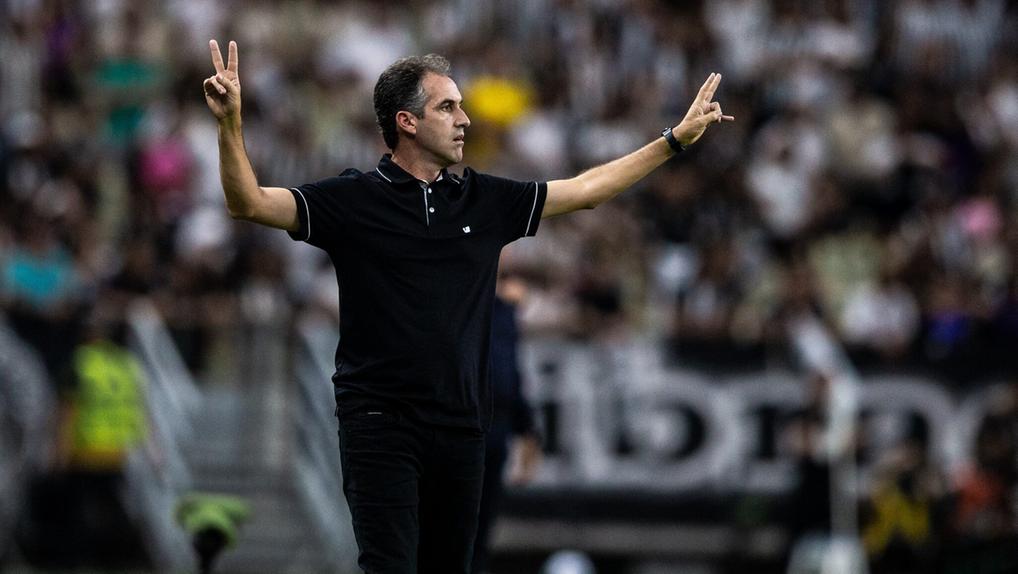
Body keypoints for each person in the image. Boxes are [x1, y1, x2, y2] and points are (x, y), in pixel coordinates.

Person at [203, 39, 732, 573]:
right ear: (407, 122)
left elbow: (586, 190)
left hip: (462, 426)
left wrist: (672, 142)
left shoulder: (483, 200)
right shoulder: (352, 199)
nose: (465, 120)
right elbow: (249, 202)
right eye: (448, 107)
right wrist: (230, 123)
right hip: (380, 423)